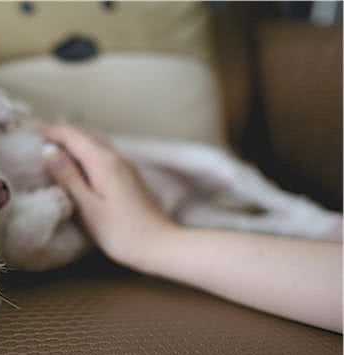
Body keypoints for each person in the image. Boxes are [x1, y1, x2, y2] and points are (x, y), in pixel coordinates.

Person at [39, 123, 342, 334]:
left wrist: (152, 242)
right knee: (227, 216)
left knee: (218, 173)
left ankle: (308, 221)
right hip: (168, 220)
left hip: (151, 215)